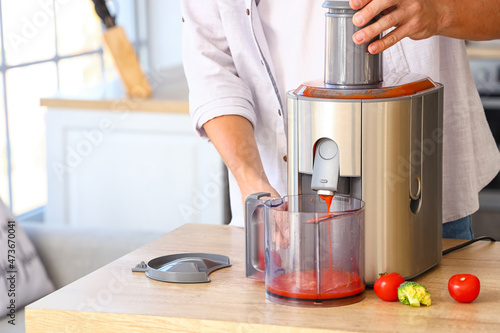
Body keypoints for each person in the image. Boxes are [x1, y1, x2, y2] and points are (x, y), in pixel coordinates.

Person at [180, 0, 500, 239]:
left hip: (420, 201)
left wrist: (440, 11)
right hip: (280, 213)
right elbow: (211, 63)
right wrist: (252, 182)